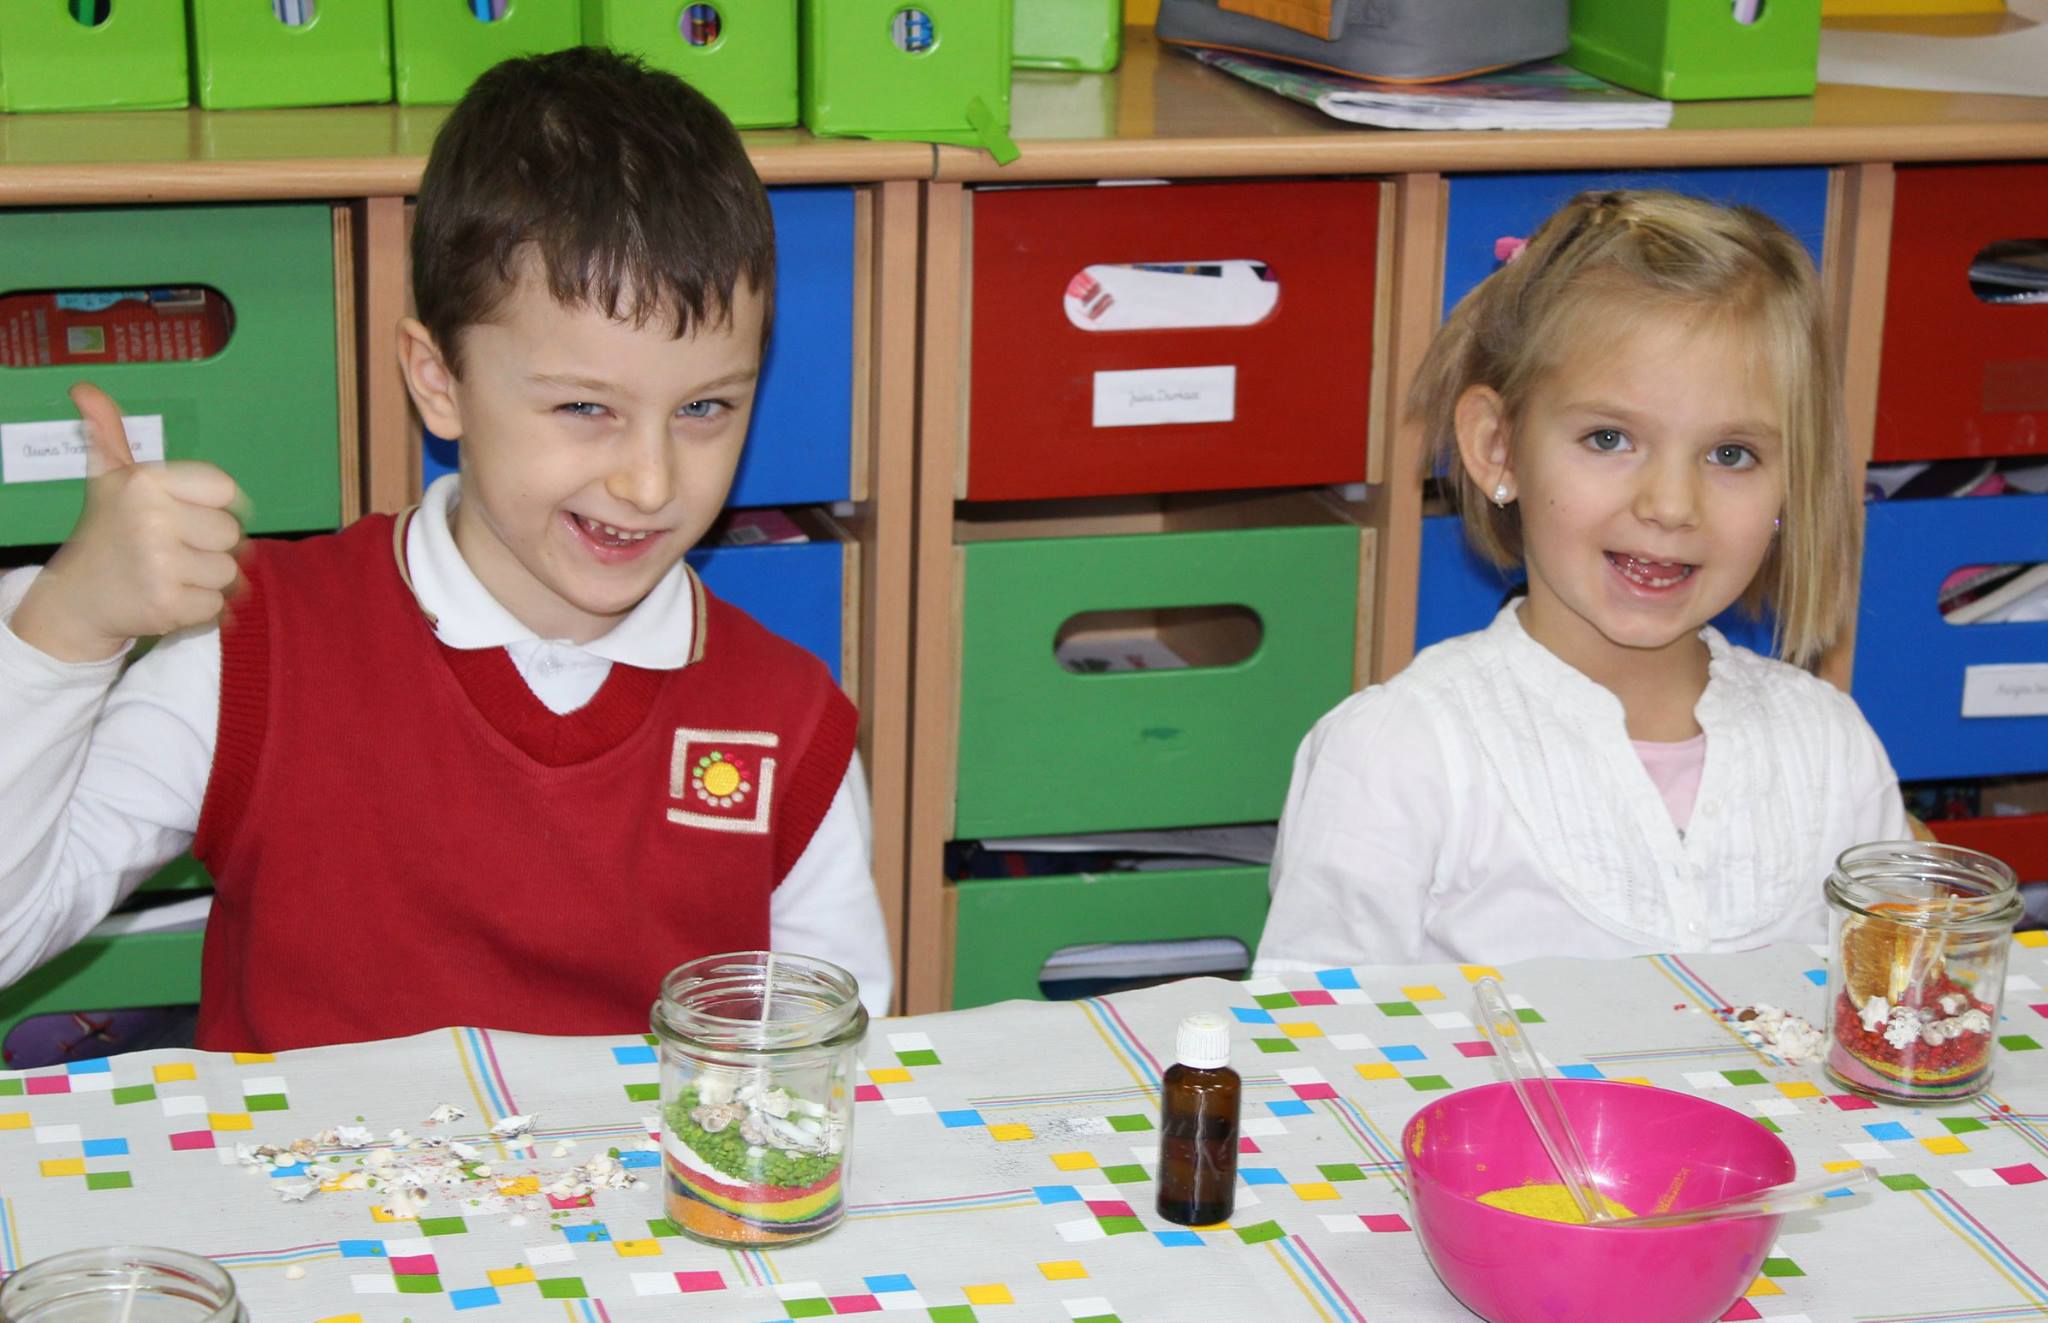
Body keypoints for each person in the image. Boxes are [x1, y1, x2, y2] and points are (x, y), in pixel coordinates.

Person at [0, 49, 892, 1050]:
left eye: (704, 408)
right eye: (584, 407)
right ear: (437, 381)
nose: (650, 483)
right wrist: (66, 624)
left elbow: (828, 1060)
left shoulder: (784, 720)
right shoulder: (254, 648)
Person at [1256, 189, 1907, 972]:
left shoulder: (1829, 749)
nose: (1671, 505)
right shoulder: (1401, 753)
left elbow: (1893, 1003)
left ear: (1792, 481)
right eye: (1609, 438)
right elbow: (1312, 1029)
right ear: (1497, 448)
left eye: (1731, 454)